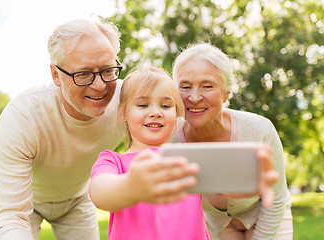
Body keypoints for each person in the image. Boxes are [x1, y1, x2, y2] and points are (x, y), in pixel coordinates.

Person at [0, 19, 125, 240]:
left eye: (108, 70)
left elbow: (177, 126)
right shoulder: (23, 118)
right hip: (26, 201)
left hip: (77, 199)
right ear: (55, 75)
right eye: (83, 74)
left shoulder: (127, 102)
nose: (100, 85)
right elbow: (10, 215)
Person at [171, 42, 293, 240]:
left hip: (269, 214)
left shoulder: (259, 129)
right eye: (185, 86)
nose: (194, 97)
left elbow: (276, 199)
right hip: (216, 224)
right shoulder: (168, 139)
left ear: (227, 93)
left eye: (207, 86)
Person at [89, 66, 212, 240]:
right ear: (123, 112)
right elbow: (100, 192)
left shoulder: (189, 160)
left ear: (176, 112)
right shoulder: (112, 161)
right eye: (143, 105)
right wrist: (131, 184)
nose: (155, 113)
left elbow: (226, 195)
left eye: (165, 105)